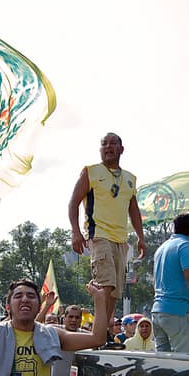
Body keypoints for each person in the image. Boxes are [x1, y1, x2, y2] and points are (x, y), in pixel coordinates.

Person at [68, 132, 146, 311]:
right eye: (104, 144)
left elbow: (134, 211)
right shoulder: (90, 172)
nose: (108, 147)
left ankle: (105, 326)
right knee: (106, 283)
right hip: (99, 235)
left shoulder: (130, 179)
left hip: (121, 239)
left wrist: (141, 238)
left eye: (113, 144)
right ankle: (99, 330)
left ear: (121, 149)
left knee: (115, 290)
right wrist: (75, 231)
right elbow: (73, 202)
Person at [151, 213, 189, 352]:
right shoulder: (186, 245)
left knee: (162, 363)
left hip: (157, 310)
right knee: (184, 362)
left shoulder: (162, 248)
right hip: (178, 311)